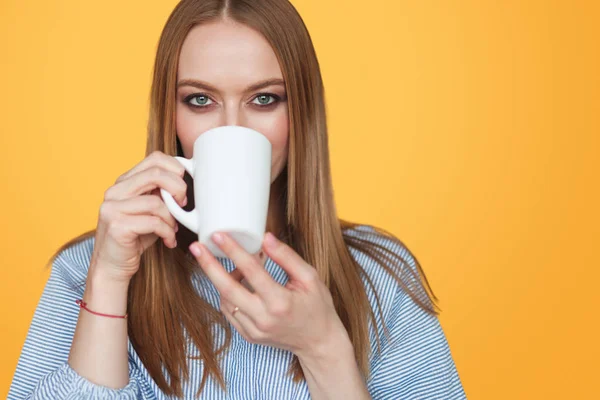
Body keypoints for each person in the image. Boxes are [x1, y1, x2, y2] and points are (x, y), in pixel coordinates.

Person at [8, 0, 466, 399]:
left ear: (301, 114)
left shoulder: (378, 277)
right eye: (201, 101)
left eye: (264, 99)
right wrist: (108, 280)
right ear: (171, 115)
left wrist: (323, 347)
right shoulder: (87, 267)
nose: (233, 129)